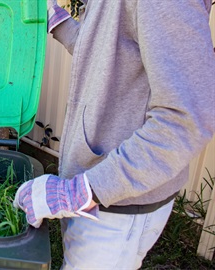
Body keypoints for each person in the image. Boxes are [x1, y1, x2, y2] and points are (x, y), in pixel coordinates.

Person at [13, 0, 215, 269]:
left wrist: (82, 191)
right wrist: (58, 22)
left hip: (116, 201)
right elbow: (108, 55)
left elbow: (186, 120)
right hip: (96, 188)